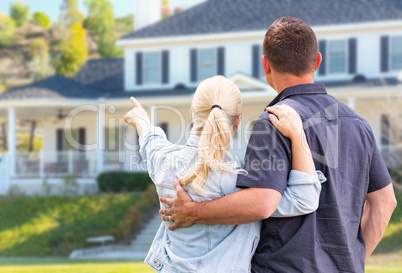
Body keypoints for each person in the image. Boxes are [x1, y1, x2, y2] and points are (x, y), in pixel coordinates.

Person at [159, 17, 397, 272]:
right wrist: (352, 261)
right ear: (317, 61)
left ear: (266, 64)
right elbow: (385, 202)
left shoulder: (273, 121)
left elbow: (261, 203)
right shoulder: (358, 124)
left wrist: (193, 212)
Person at [124, 75, 326, 272]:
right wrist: (298, 136)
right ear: (237, 122)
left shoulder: (164, 163)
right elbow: (303, 199)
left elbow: (151, 144)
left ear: (193, 113)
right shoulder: (243, 182)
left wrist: (142, 121)